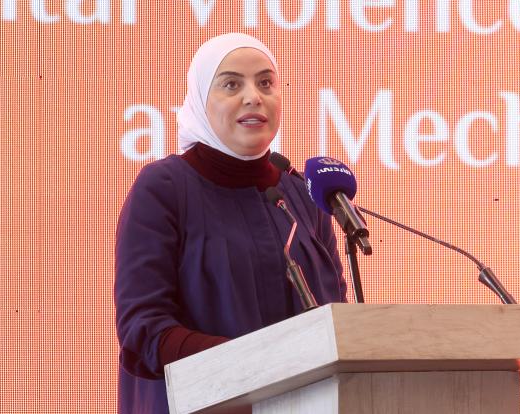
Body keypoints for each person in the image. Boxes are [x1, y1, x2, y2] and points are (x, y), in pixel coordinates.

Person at [114, 33, 347, 414]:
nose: (254, 96)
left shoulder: (303, 194)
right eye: (231, 85)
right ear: (200, 101)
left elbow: (334, 322)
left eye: (266, 83)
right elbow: (143, 331)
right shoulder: (164, 187)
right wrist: (252, 363)